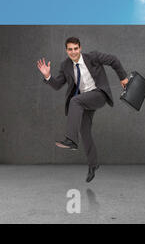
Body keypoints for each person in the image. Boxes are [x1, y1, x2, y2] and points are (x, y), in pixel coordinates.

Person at [36, 37, 128, 182]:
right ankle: (93, 164)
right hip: (84, 100)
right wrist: (48, 76)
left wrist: (123, 78)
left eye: (76, 49)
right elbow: (58, 84)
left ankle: (71, 140)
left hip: (99, 94)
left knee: (75, 101)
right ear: (66, 50)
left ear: (80, 48)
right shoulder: (65, 65)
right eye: (70, 49)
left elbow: (114, 60)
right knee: (85, 132)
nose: (73, 52)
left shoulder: (93, 57)